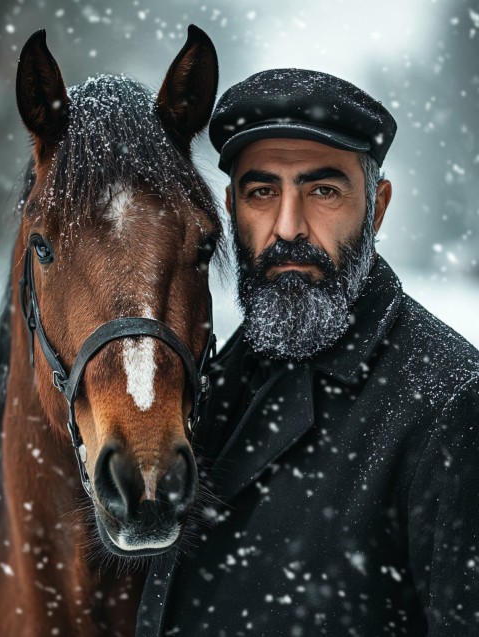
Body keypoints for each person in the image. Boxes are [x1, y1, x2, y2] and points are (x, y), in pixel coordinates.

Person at [136, 69, 479, 637]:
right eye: (262, 192)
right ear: (231, 207)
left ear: (377, 206)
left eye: (323, 191)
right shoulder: (206, 386)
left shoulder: (452, 403)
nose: (288, 227)